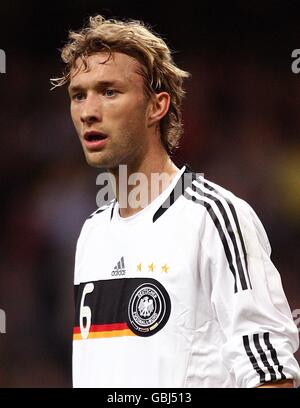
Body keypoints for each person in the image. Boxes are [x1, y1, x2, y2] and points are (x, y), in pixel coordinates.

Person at [52, 15, 300, 388]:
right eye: (78, 95)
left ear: (157, 106)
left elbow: (271, 374)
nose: (88, 111)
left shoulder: (214, 218)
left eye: (109, 91)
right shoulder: (91, 233)